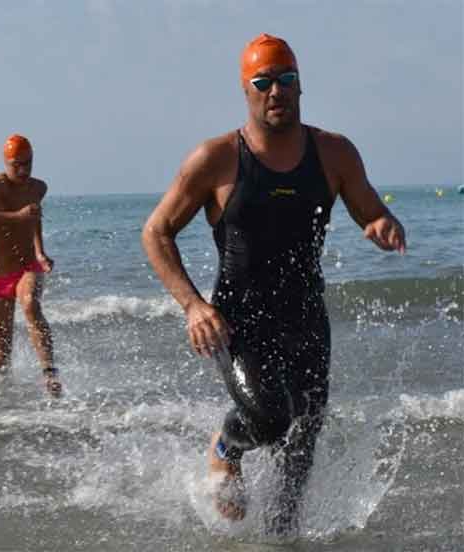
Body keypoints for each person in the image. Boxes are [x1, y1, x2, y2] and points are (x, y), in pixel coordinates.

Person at [142, 33, 406, 534]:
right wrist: (193, 306)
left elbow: (370, 210)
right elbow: (156, 232)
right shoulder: (216, 159)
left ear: (300, 87)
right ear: (247, 90)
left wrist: (380, 225)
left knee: (297, 465)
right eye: (263, 83)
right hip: (237, 323)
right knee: (268, 418)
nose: (276, 92)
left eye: (286, 80)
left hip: (306, 319)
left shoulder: (334, 154)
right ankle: (225, 448)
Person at [0, 134, 60, 396]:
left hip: (27, 265)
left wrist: (40, 252)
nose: (24, 170)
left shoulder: (38, 188)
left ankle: (50, 374)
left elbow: (34, 215)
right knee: (2, 349)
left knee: (30, 303)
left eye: (28, 163)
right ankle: (4, 393)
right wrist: (15, 216)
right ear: (6, 163)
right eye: (17, 164)